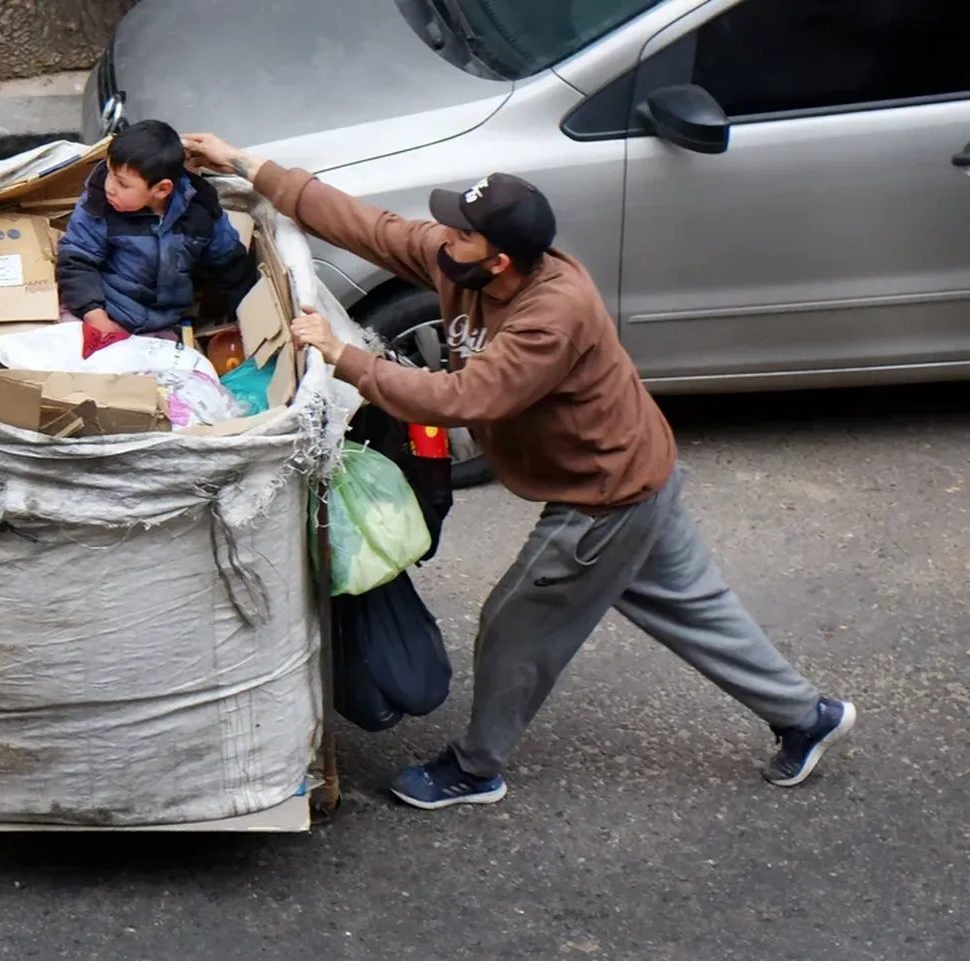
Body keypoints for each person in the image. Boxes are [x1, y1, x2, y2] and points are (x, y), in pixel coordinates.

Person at [182, 132, 856, 810]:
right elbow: (372, 227)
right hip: (640, 471)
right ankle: (808, 716)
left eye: (460, 232)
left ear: (500, 259)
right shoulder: (464, 263)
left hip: (604, 496)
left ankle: (476, 768)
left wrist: (343, 356)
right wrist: (246, 164)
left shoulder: (550, 316)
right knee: (697, 610)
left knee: (513, 628)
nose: (442, 235)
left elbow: (462, 398)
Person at [57, 120, 255, 358]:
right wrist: (95, 315)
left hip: (162, 327)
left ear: (161, 189)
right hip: (103, 312)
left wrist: (245, 321)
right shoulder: (99, 202)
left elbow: (231, 267)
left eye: (122, 183)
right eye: (109, 172)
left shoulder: (201, 211)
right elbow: (76, 259)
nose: (110, 186)